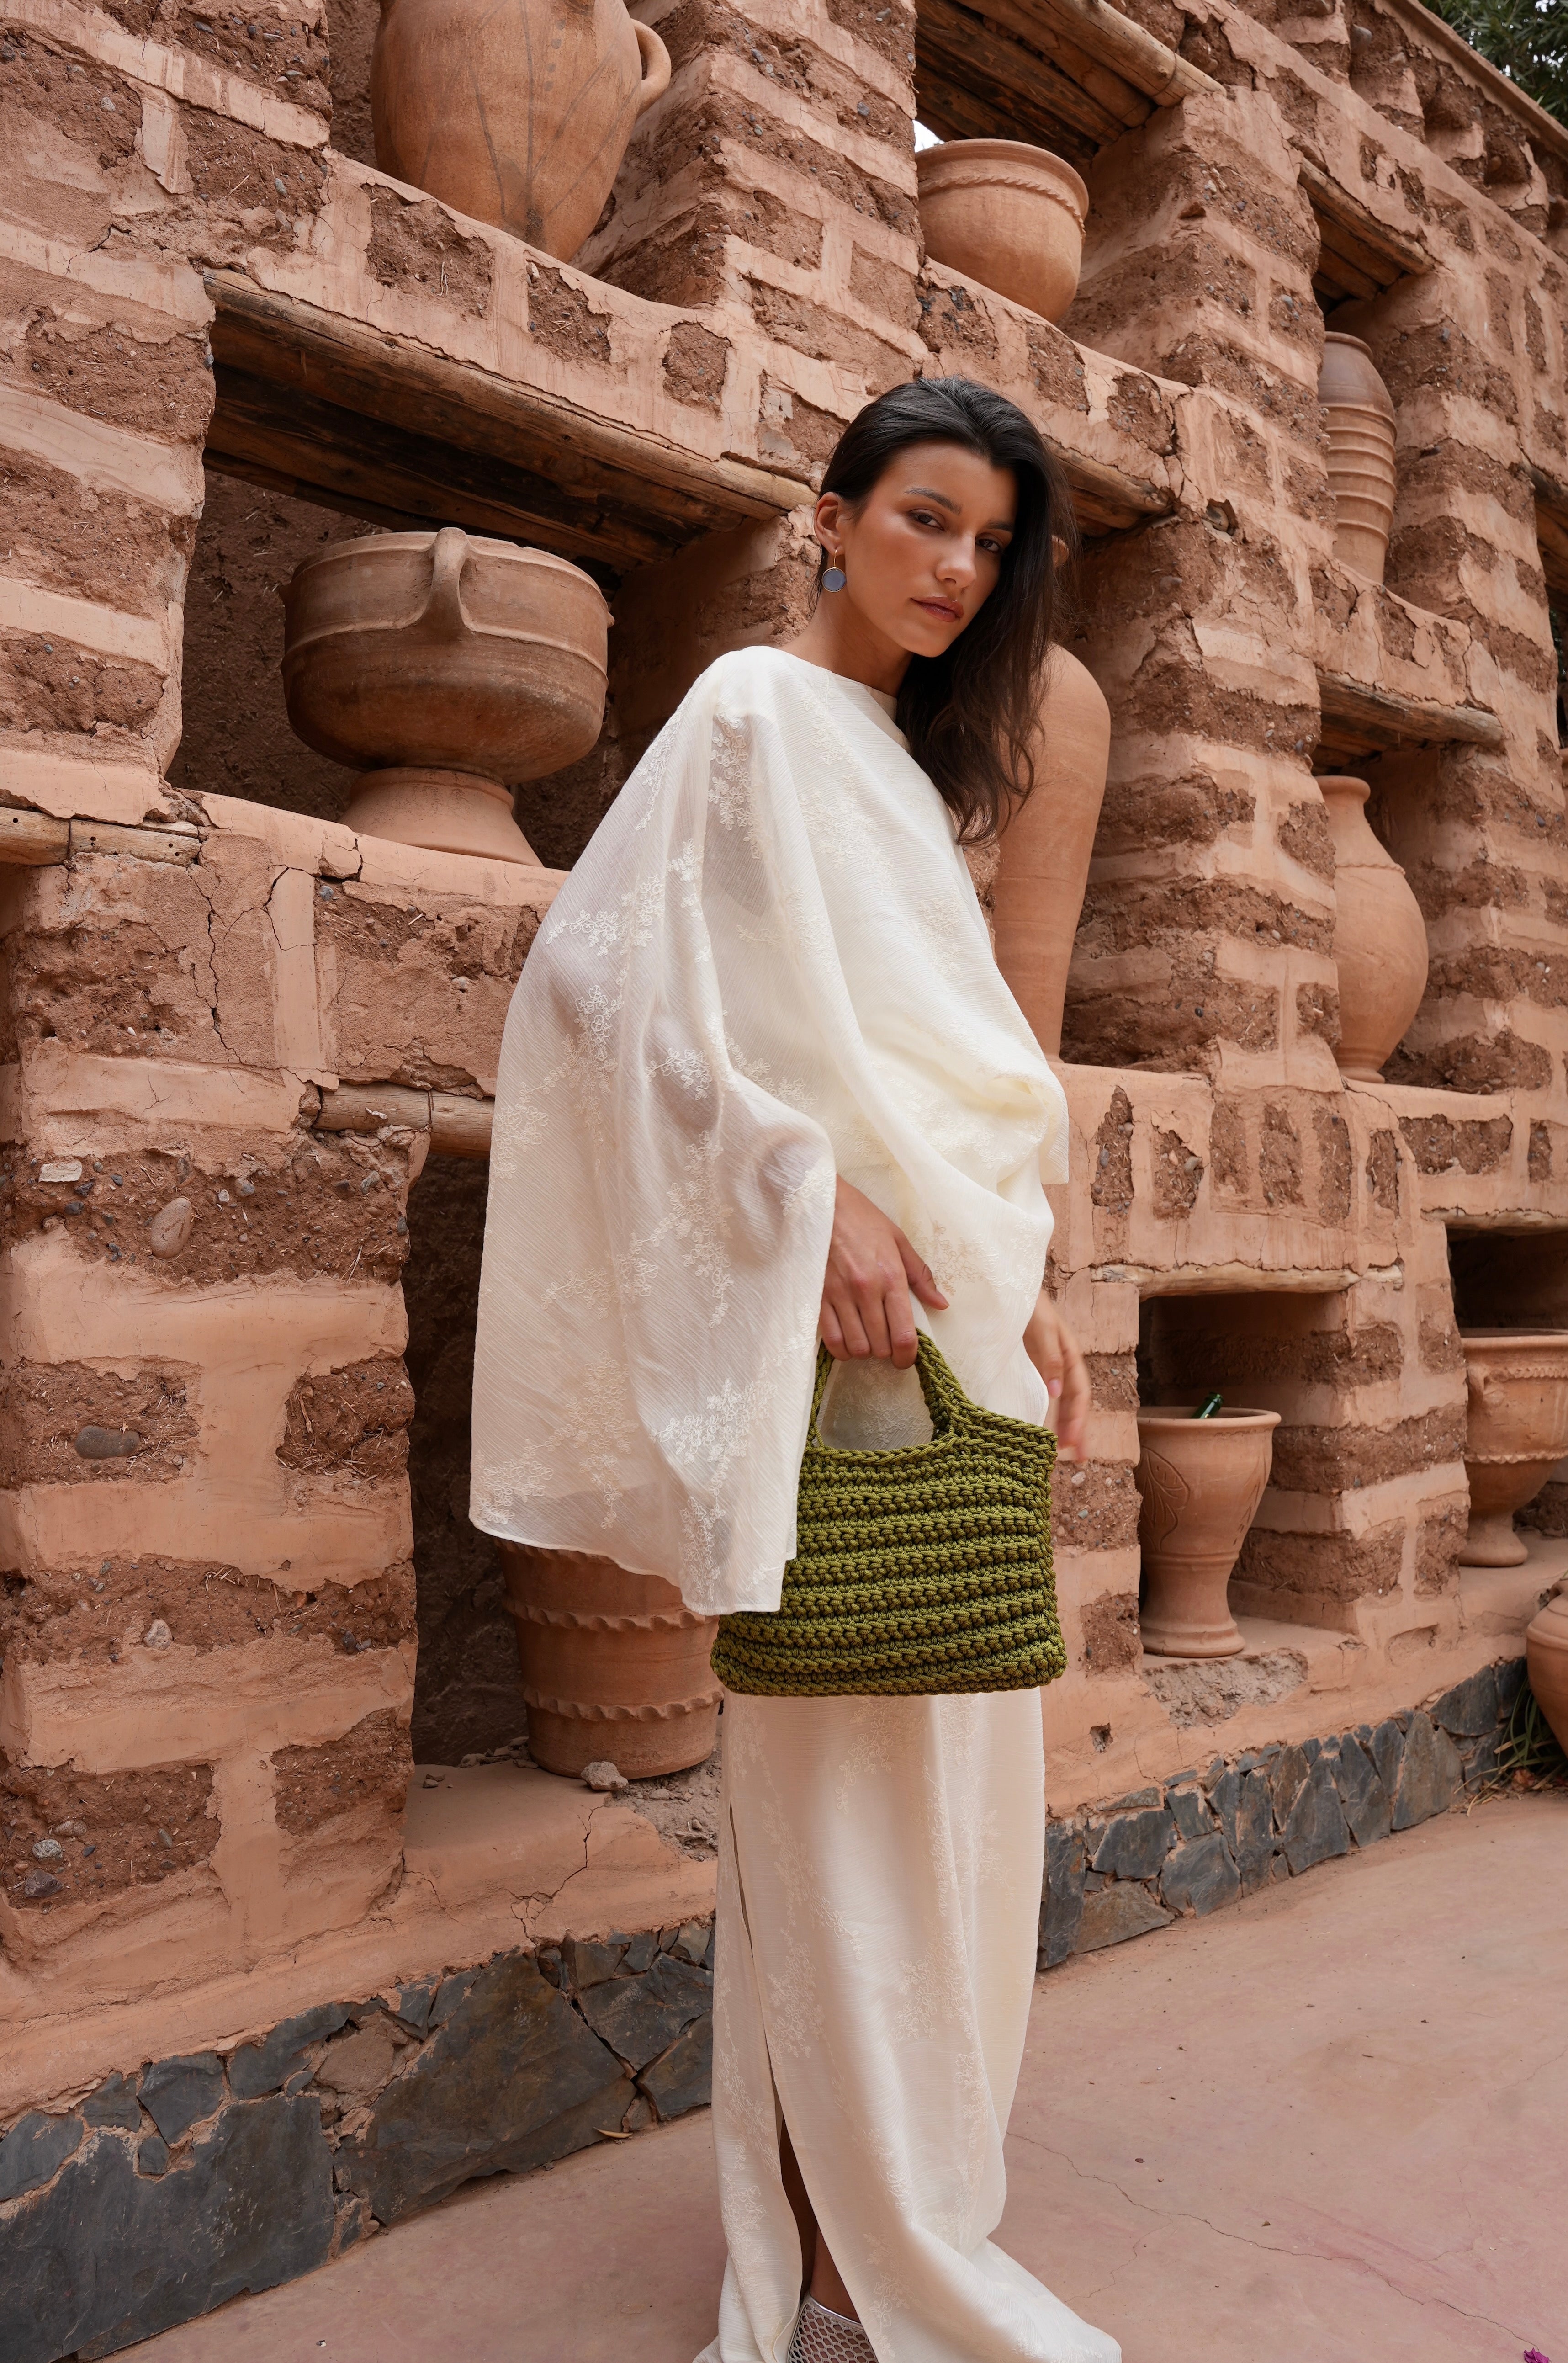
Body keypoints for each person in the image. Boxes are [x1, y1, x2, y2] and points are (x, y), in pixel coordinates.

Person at [471, 376, 1119, 2363]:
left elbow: (961, 1055)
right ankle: (857, 2253)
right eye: (926, 518)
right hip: (831, 1315)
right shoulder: (747, 714)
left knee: (965, 1814)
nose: (957, 568)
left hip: (966, 1315)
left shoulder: (916, 782)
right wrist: (799, 1188)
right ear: (825, 516)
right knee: (840, 1799)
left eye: (991, 544)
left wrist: (1035, 1287)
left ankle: (905, 2216)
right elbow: (598, 982)